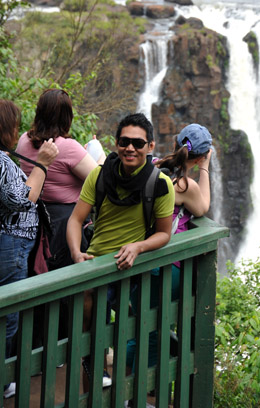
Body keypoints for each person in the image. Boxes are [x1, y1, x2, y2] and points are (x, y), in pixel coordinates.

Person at [66, 112, 175, 389]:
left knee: (136, 332)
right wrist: (77, 253)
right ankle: (93, 390)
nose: (130, 148)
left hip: (133, 268)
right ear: (116, 143)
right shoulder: (99, 176)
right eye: (125, 141)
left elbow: (164, 233)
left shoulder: (159, 184)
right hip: (97, 265)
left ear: (150, 147)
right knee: (91, 339)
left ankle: (129, 394)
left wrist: (138, 246)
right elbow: (76, 220)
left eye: (138, 143)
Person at [126, 122, 213, 381]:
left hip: (140, 256)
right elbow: (203, 208)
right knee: (154, 329)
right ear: (199, 157)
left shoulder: (152, 169)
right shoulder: (186, 186)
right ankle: (140, 391)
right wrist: (205, 169)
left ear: (175, 144)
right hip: (167, 265)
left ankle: (129, 386)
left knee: (139, 323)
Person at [0, 99, 58, 400]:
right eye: (14, 125)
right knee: (8, 314)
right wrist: (44, 163)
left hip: (8, 242)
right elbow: (21, 199)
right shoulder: (1, 160)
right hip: (9, 243)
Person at [17, 88, 105, 270]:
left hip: (33, 221)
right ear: (67, 117)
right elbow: (101, 179)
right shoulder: (68, 147)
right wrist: (100, 154)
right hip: (65, 225)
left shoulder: (23, 140)